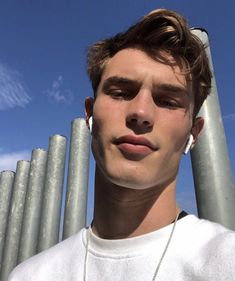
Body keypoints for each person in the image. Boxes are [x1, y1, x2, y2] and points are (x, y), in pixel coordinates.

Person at [8, 8, 235, 281]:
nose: (140, 113)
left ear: (194, 133)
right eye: (121, 93)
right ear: (90, 115)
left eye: (167, 100)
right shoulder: (29, 276)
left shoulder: (226, 263)